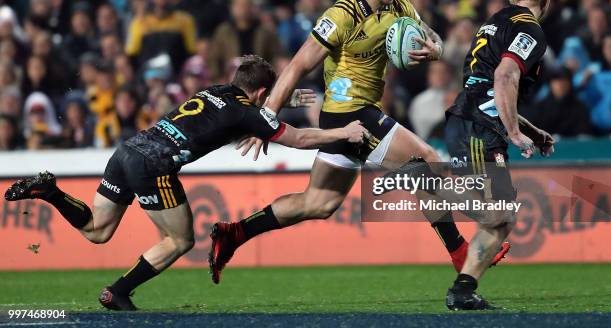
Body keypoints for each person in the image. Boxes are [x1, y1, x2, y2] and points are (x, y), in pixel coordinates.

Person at [209, 0, 509, 285]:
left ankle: (234, 233)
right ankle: (470, 243)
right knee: (424, 159)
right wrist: (265, 119)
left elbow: (432, 36)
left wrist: (436, 49)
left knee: (318, 203)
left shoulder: (400, 7)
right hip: (347, 115)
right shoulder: (341, 16)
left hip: (362, 113)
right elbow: (297, 66)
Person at [4, 56, 368, 311]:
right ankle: (118, 292)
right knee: (181, 240)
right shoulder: (246, 111)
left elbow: (269, 104)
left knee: (97, 230)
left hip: (129, 149)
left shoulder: (217, 91)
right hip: (155, 165)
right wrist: (344, 130)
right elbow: (301, 139)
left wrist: (287, 101)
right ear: (260, 93)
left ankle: (51, 192)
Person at [444, 0, 556, 310]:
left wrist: (530, 128)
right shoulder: (531, 30)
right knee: (499, 214)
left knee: (503, 217)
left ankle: (464, 289)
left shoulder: (495, 21)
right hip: (480, 128)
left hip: (472, 119)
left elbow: (486, 87)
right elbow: (504, 77)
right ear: (546, 0)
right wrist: (514, 132)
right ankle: (430, 184)